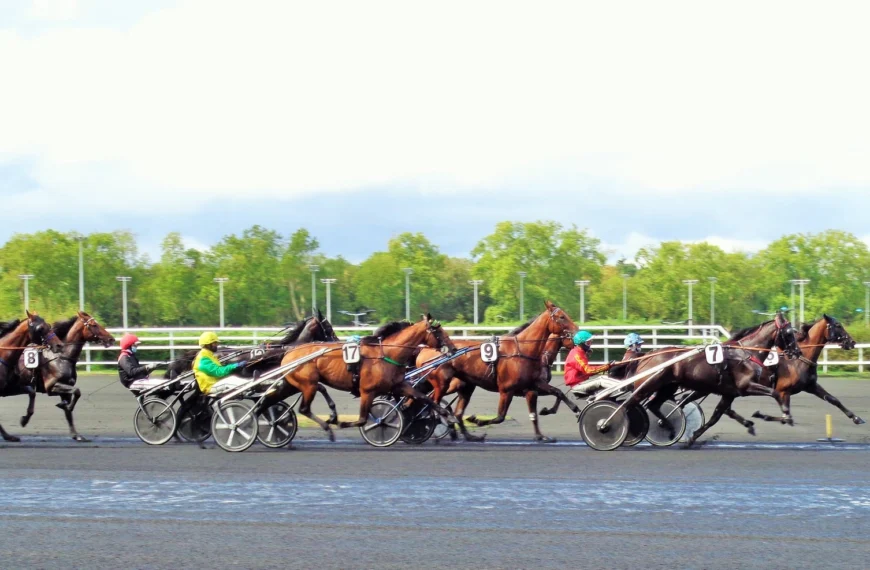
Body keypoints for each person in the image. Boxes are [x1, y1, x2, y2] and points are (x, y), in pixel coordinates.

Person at [566, 330, 619, 396]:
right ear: (581, 343)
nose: (590, 345)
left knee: (604, 378)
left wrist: (606, 366)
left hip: (582, 382)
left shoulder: (580, 352)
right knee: (601, 380)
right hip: (577, 386)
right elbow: (588, 370)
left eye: (590, 342)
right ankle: (621, 387)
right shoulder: (576, 354)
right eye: (588, 343)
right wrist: (606, 366)